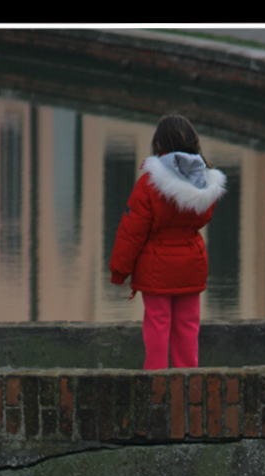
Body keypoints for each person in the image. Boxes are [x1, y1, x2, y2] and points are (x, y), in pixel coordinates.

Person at [109, 113, 227, 370]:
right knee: (187, 327)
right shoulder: (205, 182)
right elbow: (204, 215)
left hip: (155, 269)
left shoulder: (149, 184)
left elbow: (132, 231)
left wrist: (120, 271)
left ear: (159, 145)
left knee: (157, 326)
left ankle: (156, 384)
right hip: (191, 265)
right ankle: (188, 385)